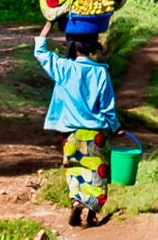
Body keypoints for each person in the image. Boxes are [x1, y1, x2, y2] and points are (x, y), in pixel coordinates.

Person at [36, 20, 121, 228]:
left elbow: (40, 52)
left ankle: (76, 201)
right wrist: (116, 126)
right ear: (93, 47)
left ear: (72, 47)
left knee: (75, 170)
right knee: (97, 174)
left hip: (71, 134)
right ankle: (91, 211)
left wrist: (48, 23)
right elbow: (107, 107)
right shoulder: (101, 72)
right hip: (96, 135)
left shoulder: (63, 68)